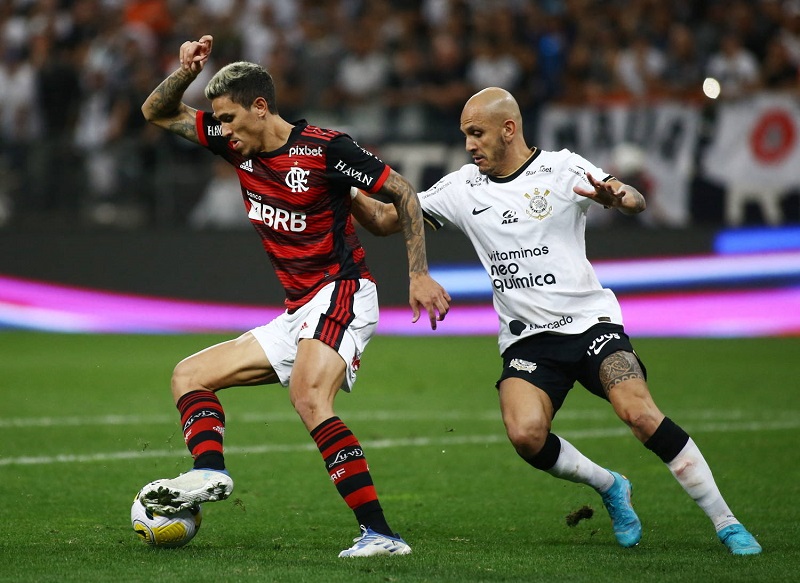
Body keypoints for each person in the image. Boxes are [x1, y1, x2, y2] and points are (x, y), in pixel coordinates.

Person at [350, 87, 761, 556]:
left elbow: (634, 200)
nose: (469, 144)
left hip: (590, 325)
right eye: (466, 134)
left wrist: (618, 196)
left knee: (640, 414)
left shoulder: (563, 169)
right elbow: (384, 219)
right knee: (526, 435)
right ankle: (610, 485)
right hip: (528, 341)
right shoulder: (462, 188)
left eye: (477, 133)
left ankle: (727, 522)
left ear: (509, 129)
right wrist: (346, 188)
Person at [136, 34, 451, 558]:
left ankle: (381, 535)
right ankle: (209, 472)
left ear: (260, 107)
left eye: (230, 118)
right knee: (188, 375)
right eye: (219, 121)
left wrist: (418, 274)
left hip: (344, 289)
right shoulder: (233, 143)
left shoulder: (326, 149)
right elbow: (155, 111)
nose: (222, 130)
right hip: (299, 309)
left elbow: (400, 192)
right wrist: (186, 72)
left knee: (308, 397)